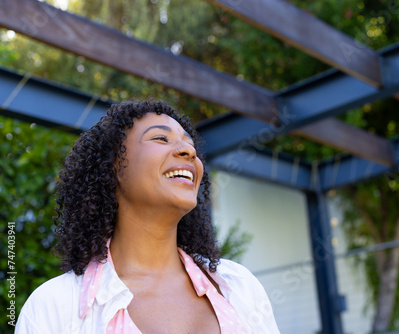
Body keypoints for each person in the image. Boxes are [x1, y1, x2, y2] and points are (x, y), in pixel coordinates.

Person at [15, 100, 280, 333]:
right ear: (114, 167)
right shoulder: (56, 307)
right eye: (161, 139)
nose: (189, 152)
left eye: (190, 145)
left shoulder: (239, 286)